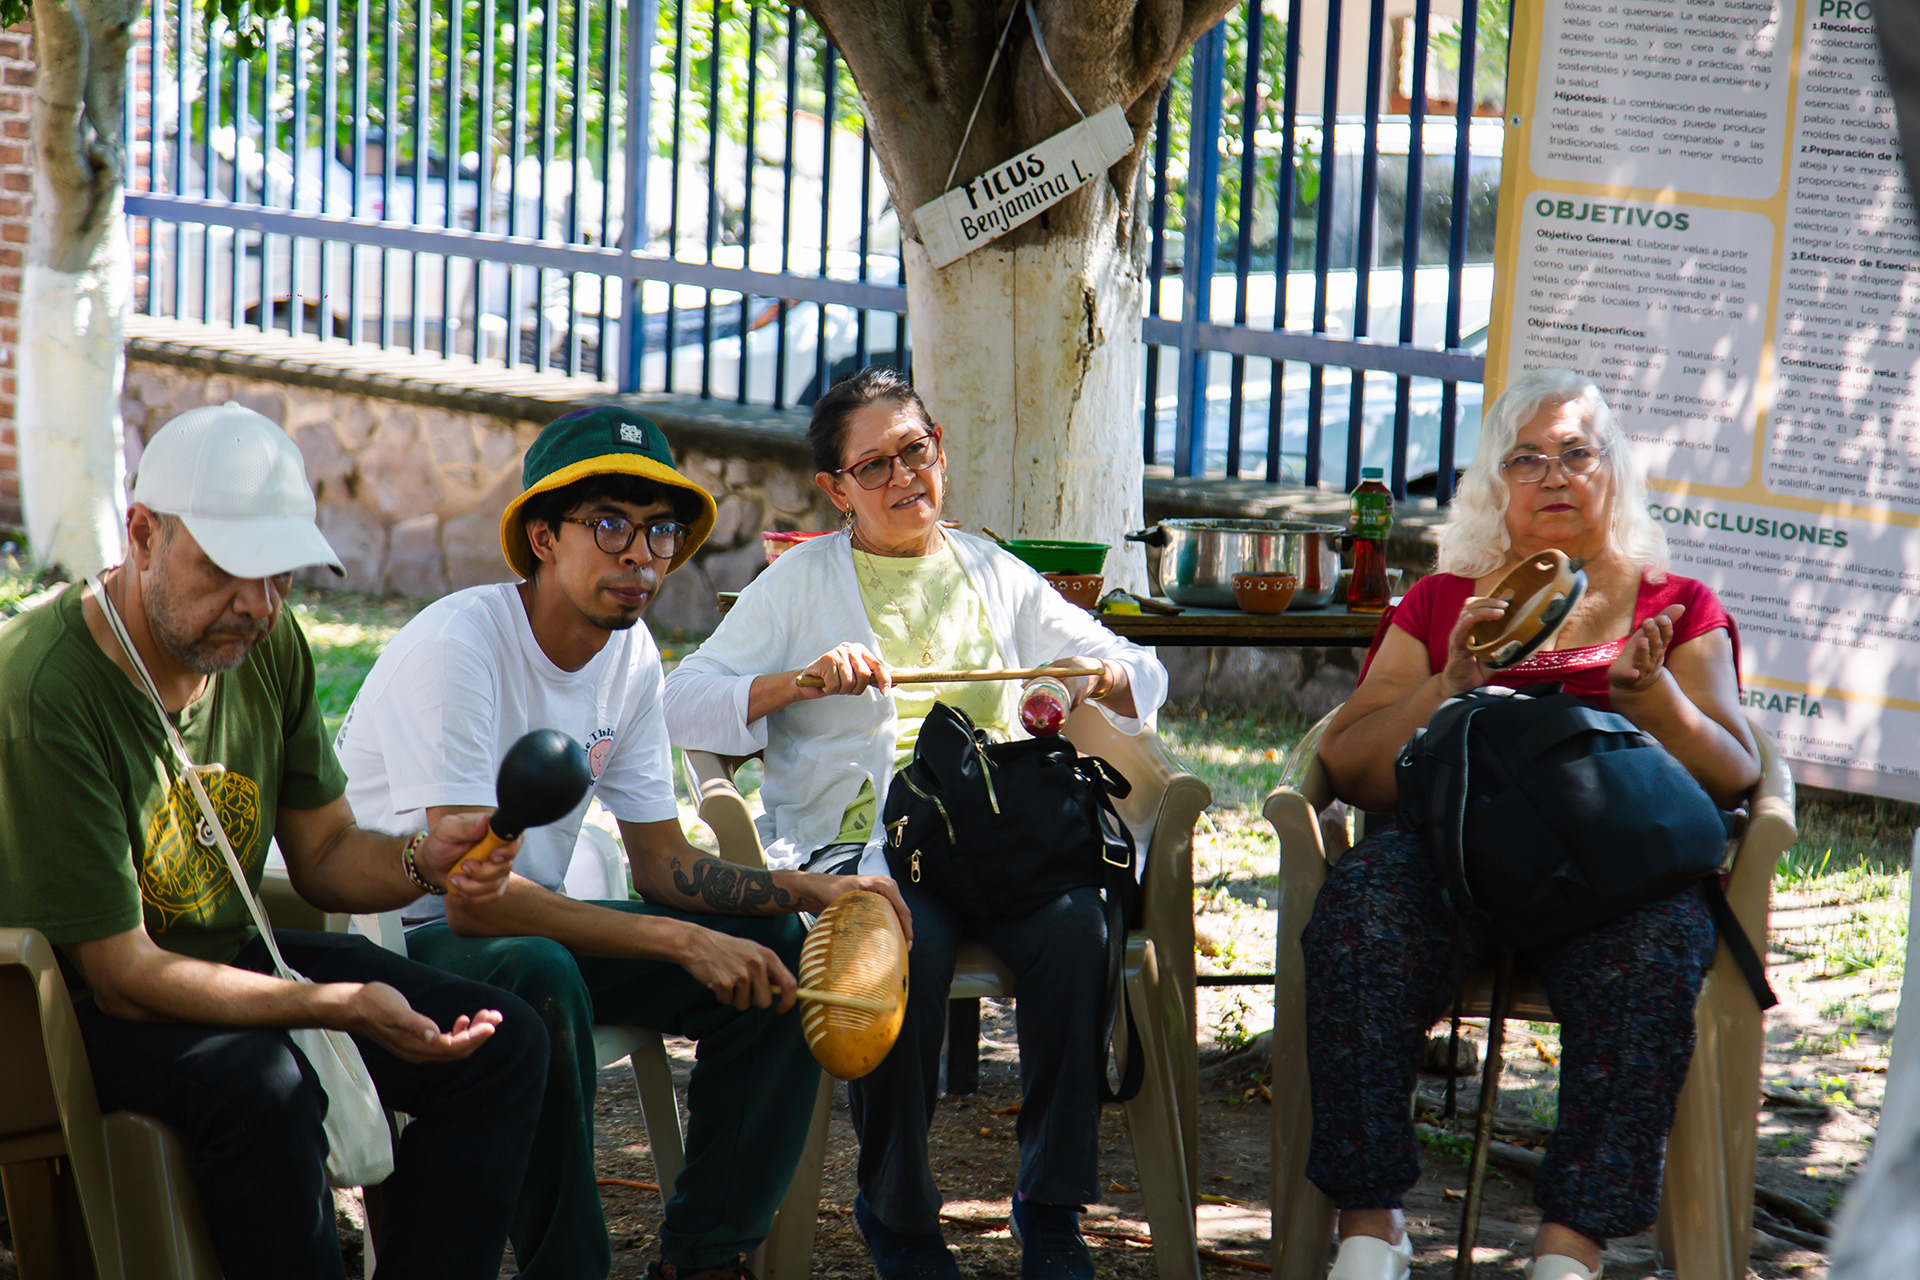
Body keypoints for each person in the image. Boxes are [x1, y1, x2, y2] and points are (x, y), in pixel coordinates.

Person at [333, 404, 908, 1280]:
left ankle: (704, 1258)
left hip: (531, 929)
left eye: (660, 532)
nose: (640, 555)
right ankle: (571, 1267)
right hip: (402, 941)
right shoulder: (460, 646)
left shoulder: (632, 655)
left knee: (775, 952)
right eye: (609, 526)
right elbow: (471, 898)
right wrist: (683, 941)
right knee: (541, 972)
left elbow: (662, 864)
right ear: (542, 537)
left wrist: (808, 892)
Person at [0, 403, 548, 1280]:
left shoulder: (264, 638)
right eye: (226, 568)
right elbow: (124, 978)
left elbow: (324, 853)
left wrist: (422, 861)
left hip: (216, 961)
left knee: (502, 1045)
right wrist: (335, 1004)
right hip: (60, 1014)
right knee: (263, 1085)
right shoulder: (44, 687)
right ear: (142, 536)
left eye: (280, 574)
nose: (257, 605)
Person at [662, 366, 1169, 1280]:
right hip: (870, 848)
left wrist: (1100, 674)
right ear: (837, 489)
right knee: (905, 946)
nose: (904, 476)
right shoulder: (799, 583)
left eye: (916, 450)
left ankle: (1052, 1211)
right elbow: (683, 702)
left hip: (998, 842)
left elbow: (1141, 671)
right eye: (875, 465)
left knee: (1078, 931)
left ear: (941, 450)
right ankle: (898, 1216)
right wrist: (800, 681)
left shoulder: (991, 571)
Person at [1300, 369, 1761, 1280]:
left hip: (1613, 874)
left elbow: (1736, 770)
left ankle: (1570, 1249)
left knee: (1658, 949)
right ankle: (1371, 1226)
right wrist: (1446, 684)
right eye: (1527, 459)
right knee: (1358, 919)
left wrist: (1653, 697)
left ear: (1612, 472)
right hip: (1451, 860)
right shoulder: (1442, 604)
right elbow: (1351, 765)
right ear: (1493, 484)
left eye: (1576, 453)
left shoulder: (1676, 604)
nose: (1553, 475)